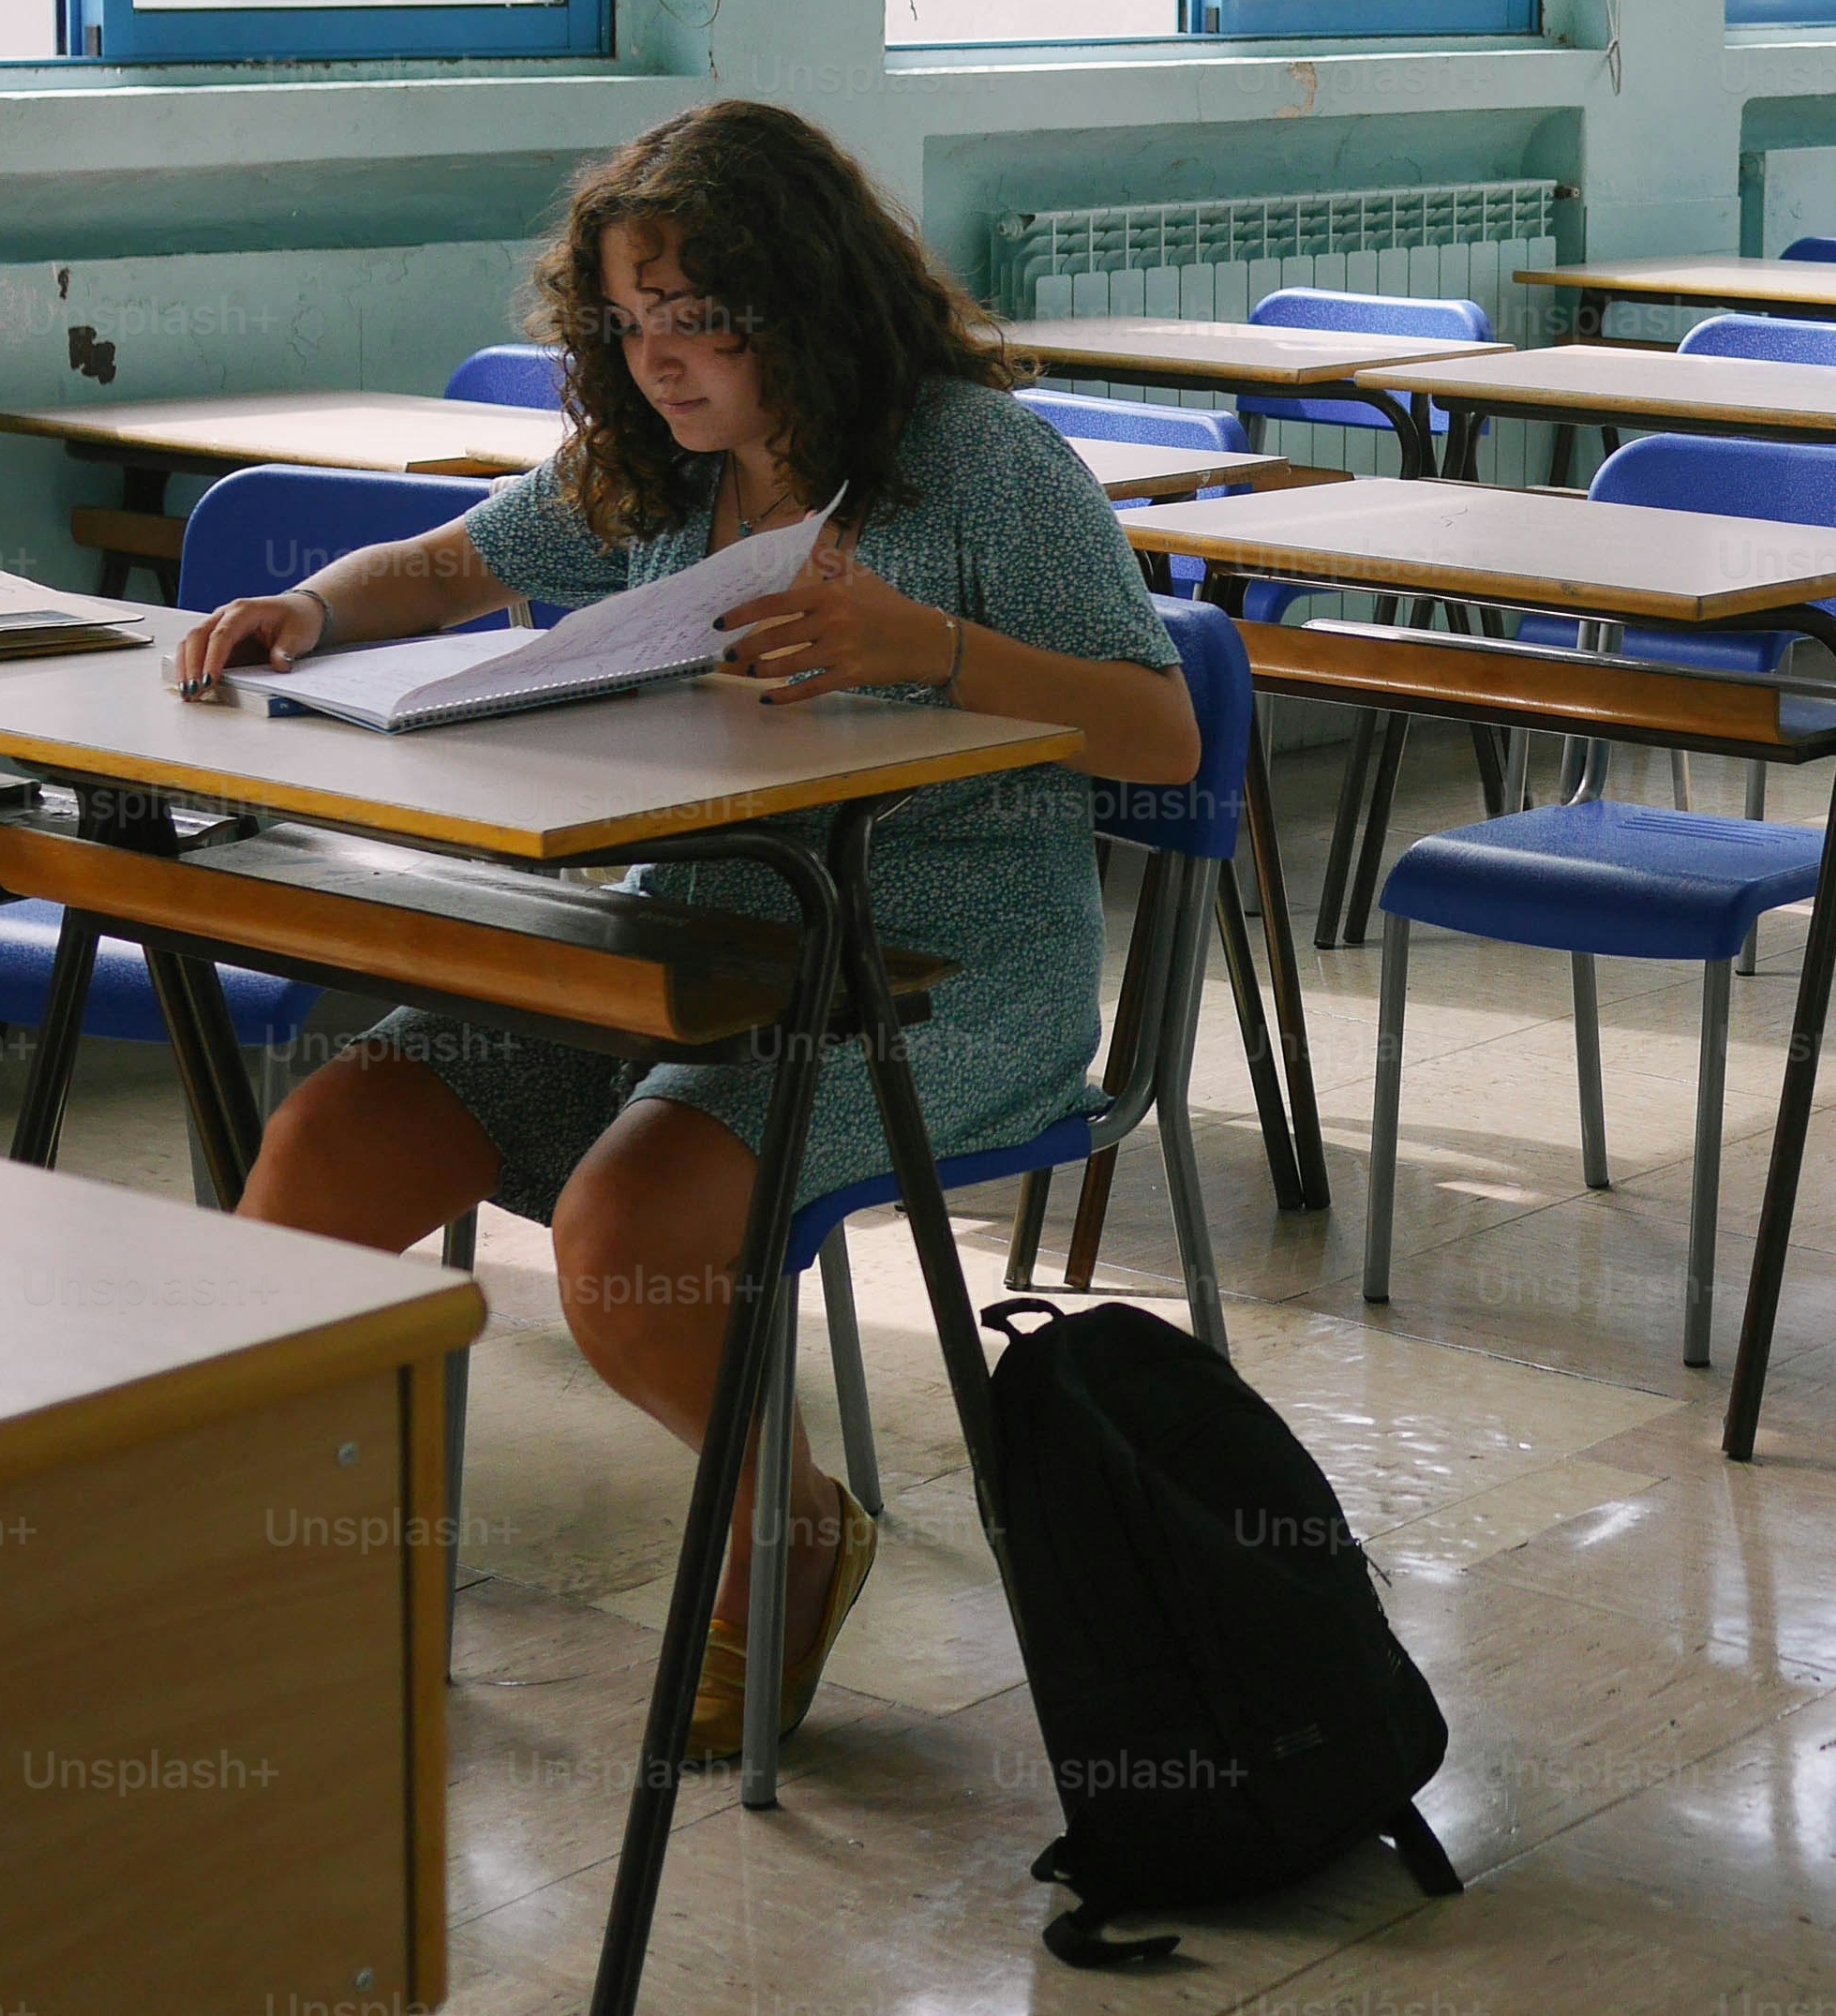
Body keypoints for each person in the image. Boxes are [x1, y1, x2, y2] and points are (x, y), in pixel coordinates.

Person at [184, 100, 1197, 1758]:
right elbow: (441, 571)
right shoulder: (644, 468)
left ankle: (783, 1529)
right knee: (332, 1137)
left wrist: (934, 647)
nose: (660, 359)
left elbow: (1163, 735)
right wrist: (313, 606)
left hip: (938, 972)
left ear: (806, 297)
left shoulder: (978, 462)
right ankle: (283, 1550)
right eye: (629, 321)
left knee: (625, 1232)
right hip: (690, 935)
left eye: (700, 317)